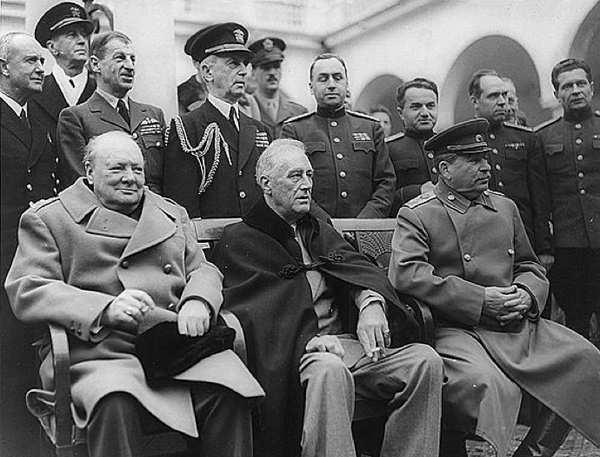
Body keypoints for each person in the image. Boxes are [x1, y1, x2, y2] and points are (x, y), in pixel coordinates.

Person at [5, 131, 263, 457]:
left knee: (231, 390)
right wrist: (104, 309)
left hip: (175, 344)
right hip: (97, 351)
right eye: (117, 169)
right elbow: (28, 287)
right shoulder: (51, 218)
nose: (130, 178)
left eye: (138, 169)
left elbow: (203, 270)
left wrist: (198, 301)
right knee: (114, 398)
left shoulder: (170, 213)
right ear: (89, 171)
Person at [211, 139, 443, 457]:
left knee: (423, 361)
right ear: (266, 183)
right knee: (329, 370)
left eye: (309, 175)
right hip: (299, 357)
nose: (307, 185)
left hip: (351, 347)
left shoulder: (319, 229)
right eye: (295, 176)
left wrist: (370, 303)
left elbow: (359, 270)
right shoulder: (240, 238)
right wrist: (308, 340)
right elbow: (250, 311)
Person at [389, 118, 600, 457]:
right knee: (490, 386)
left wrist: (526, 293)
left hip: (515, 324)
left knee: (585, 359)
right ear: (445, 168)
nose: (486, 167)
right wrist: (479, 299)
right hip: (458, 327)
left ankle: (531, 453)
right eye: (474, 161)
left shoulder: (504, 207)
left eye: (485, 158)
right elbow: (407, 273)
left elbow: (529, 265)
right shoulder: (419, 214)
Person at [0, 31, 61, 457]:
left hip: (35, 256)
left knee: (32, 354)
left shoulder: (40, 117)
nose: (42, 69)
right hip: (3, 254)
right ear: (4, 68)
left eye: (43, 62)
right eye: (31, 62)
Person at [163, 22, 271, 218]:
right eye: (233, 63)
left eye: (244, 63)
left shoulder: (260, 130)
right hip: (214, 244)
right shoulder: (186, 128)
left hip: (261, 242)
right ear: (207, 72)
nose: (244, 71)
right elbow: (183, 206)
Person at [281, 53, 395, 218]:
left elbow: (386, 181)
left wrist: (365, 221)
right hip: (315, 231)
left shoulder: (371, 128)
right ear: (311, 87)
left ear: (346, 84)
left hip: (365, 230)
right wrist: (325, 224)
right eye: (323, 79)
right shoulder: (294, 130)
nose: (331, 85)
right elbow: (291, 183)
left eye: (337, 77)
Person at [535, 58, 600, 340]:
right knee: (577, 321)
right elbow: (540, 198)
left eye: (581, 83)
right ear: (556, 94)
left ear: (591, 87)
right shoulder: (542, 137)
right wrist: (545, 247)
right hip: (567, 248)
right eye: (567, 86)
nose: (575, 90)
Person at [57, 31, 166, 194]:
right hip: (106, 215)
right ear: (95, 64)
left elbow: (168, 178)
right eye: (120, 58)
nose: (130, 66)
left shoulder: (153, 115)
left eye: (132, 59)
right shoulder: (76, 118)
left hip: (154, 213)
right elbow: (80, 183)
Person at [468, 69, 552, 268]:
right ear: (475, 101)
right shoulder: (465, 141)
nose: (502, 101)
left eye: (504, 95)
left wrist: (544, 248)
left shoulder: (526, 139)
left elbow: (539, 198)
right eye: (493, 96)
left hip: (524, 237)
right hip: (482, 243)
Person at [31, 2, 96, 141]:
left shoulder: (100, 90)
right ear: (52, 47)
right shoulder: (35, 92)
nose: (82, 41)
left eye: (84, 35)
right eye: (72, 35)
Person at [386, 78, 439, 216]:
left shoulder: (449, 144)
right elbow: (383, 197)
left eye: (431, 105)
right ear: (400, 113)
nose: (425, 113)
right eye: (416, 107)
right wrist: (418, 191)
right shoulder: (389, 149)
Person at [248, 37, 307, 138]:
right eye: (265, 68)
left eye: (276, 66)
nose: (272, 73)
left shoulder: (299, 112)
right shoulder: (245, 110)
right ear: (253, 73)